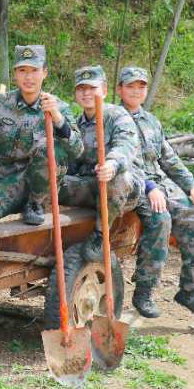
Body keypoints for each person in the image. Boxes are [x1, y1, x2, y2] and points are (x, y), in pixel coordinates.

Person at [118, 66, 194, 322]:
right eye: (130, 86)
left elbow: (169, 158)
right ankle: (144, 292)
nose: (136, 91)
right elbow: (123, 161)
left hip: (162, 183)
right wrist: (150, 188)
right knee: (161, 219)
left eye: (141, 87)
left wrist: (191, 186)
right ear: (120, 89)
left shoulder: (151, 121)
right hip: (133, 184)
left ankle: (190, 292)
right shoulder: (113, 118)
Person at [0, 45, 82, 225]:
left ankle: (35, 203)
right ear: (15, 73)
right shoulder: (0, 103)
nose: (28, 77)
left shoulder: (58, 107)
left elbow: (77, 150)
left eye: (34, 70)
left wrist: (57, 118)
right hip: (6, 185)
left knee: (50, 148)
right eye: (22, 70)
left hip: (41, 186)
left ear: (44, 73)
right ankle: (12, 207)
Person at [58, 65, 145, 262]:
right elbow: (70, 158)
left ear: (104, 90)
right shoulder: (76, 124)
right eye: (81, 89)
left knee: (117, 178)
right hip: (90, 185)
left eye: (92, 88)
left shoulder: (118, 116)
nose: (87, 93)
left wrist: (112, 164)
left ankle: (99, 235)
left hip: (122, 189)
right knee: (52, 181)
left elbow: (126, 146)